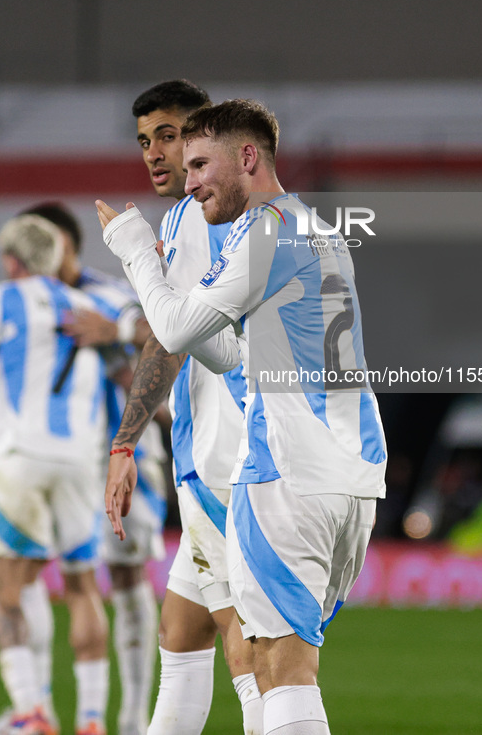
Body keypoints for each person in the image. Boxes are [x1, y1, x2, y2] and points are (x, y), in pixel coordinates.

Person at [99, 98, 387, 735]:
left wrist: (133, 249)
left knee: (280, 669)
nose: (189, 176)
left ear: (248, 157)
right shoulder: (313, 227)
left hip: (287, 472)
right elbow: (228, 352)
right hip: (353, 476)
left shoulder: (263, 230)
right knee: (264, 657)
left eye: (200, 162)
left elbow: (170, 328)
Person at [107, 80, 264, 735]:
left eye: (168, 136)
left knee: (251, 650)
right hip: (205, 459)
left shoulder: (205, 218)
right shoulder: (183, 221)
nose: (154, 154)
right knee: (182, 633)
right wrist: (125, 444)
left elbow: (176, 337)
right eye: (144, 141)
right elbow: (167, 340)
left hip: (236, 459)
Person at [0, 214, 114, 735]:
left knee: (7, 586)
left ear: (12, 260)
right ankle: (91, 719)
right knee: (82, 585)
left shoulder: (3, 298)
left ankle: (31, 712)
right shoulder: (89, 306)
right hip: (78, 459)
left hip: (19, 456)